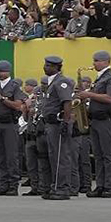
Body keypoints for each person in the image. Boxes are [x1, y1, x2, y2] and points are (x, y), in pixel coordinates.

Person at [76, 50, 111, 197]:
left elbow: (109, 98)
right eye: (94, 60)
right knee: (98, 154)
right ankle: (100, 185)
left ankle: (110, 186)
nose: (94, 63)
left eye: (97, 60)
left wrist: (88, 94)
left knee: (108, 154)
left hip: (105, 120)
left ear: (106, 61)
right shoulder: (99, 78)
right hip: (95, 119)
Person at [42, 56, 75, 200]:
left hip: (58, 123)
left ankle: (62, 188)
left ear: (57, 67)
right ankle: (55, 186)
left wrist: (66, 122)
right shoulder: (52, 82)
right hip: (50, 124)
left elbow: (67, 102)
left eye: (49, 65)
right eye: (45, 65)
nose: (45, 67)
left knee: (61, 156)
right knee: (53, 156)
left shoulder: (61, 81)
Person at [0, 61, 25, 195]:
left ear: (8, 72)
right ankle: (3, 183)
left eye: (2, 71)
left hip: (9, 124)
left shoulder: (14, 86)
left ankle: (13, 185)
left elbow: (17, 106)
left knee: (11, 156)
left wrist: (2, 98)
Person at [21, 79, 41, 196]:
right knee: (31, 164)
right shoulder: (31, 106)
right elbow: (25, 120)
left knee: (41, 164)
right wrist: (26, 111)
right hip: (29, 136)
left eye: (36, 97)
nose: (34, 99)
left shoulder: (43, 105)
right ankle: (34, 186)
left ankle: (42, 186)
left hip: (38, 137)